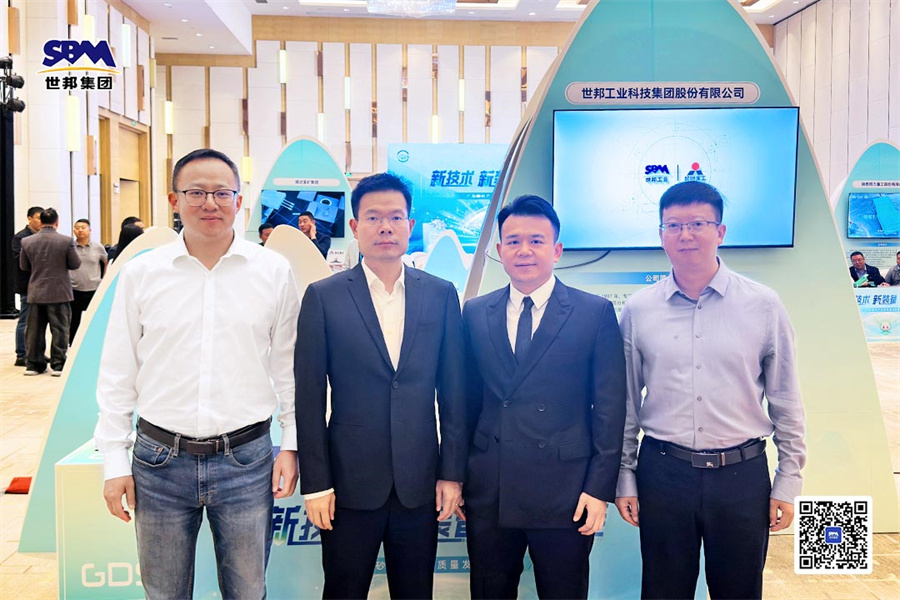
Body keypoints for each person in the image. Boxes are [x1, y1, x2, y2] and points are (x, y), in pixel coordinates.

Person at [94, 149, 300, 600]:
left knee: (248, 590)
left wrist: (292, 442)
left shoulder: (272, 271)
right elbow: (117, 370)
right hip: (158, 463)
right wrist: (114, 460)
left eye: (222, 193)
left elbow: (288, 366)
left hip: (247, 460)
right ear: (174, 200)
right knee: (164, 593)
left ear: (239, 200)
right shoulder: (142, 274)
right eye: (196, 192)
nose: (210, 203)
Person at [615, 181, 806, 600]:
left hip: (741, 476)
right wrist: (625, 475)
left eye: (698, 224)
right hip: (663, 473)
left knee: (739, 591)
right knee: (663, 590)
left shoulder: (764, 305)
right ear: (661, 234)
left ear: (720, 231)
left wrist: (788, 480)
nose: (685, 235)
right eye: (673, 225)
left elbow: (787, 400)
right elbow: (626, 402)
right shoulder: (639, 309)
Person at [295, 172, 467, 599]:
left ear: (411, 225)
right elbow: (309, 397)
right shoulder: (324, 296)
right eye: (373, 217)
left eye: (395, 217)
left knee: (415, 591)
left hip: (419, 482)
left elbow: (454, 394)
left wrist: (451, 473)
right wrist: (316, 483)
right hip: (348, 484)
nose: (385, 227)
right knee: (343, 589)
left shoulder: (441, 294)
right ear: (355, 226)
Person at [461, 195, 626, 600]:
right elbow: (464, 404)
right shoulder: (476, 312)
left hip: (566, 490)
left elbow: (610, 408)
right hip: (492, 487)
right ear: (499, 250)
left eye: (536, 241)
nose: (524, 250)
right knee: (489, 591)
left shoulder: (593, 312)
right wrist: (459, 476)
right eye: (514, 241)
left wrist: (599, 489)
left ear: (556, 250)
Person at [19, 208, 81, 376]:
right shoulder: (66, 241)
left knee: (34, 331)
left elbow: (24, 266)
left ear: (41, 222)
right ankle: (58, 364)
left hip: (36, 292)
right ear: (57, 222)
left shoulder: (27, 241)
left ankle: (33, 365)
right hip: (59, 292)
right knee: (60, 329)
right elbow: (75, 264)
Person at [11, 206, 44, 366]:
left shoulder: (43, 237)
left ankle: (36, 353)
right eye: (38, 218)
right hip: (28, 285)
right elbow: (20, 260)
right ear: (29, 218)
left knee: (39, 323)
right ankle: (21, 354)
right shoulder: (20, 238)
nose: (40, 221)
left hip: (43, 285)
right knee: (24, 321)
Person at [69, 218, 107, 343]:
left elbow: (105, 262)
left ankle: (93, 342)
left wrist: (103, 279)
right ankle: (73, 344)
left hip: (93, 288)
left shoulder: (98, 247)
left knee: (94, 318)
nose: (80, 230)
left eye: (83, 228)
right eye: (77, 228)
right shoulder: (70, 247)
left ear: (90, 230)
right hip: (74, 289)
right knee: (73, 319)